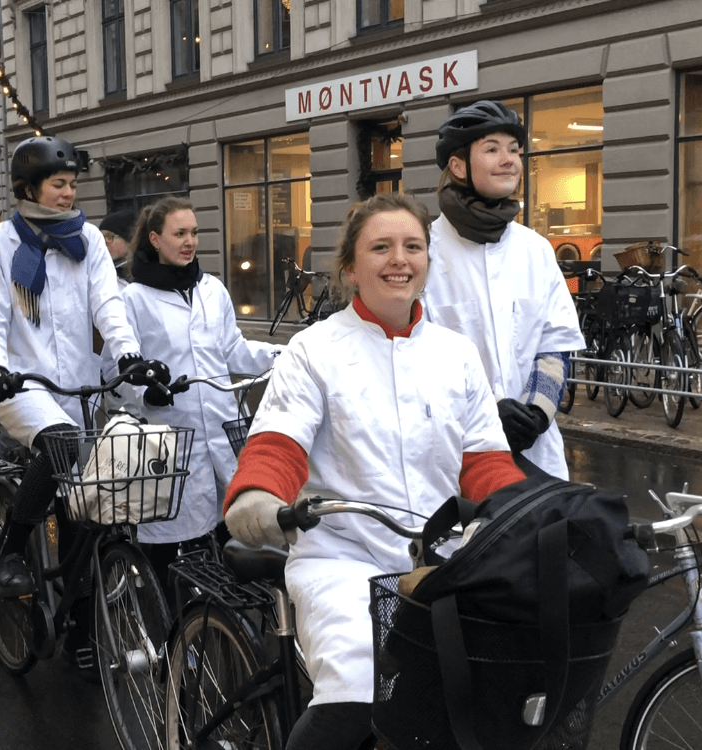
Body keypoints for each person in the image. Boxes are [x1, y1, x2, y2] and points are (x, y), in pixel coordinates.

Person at [223, 193, 525, 750]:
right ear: (350, 269)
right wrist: (260, 496)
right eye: (381, 247)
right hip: (341, 556)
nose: (399, 259)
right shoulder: (314, 350)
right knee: (359, 695)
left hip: (439, 558)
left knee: (489, 685)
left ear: (428, 262)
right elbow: (278, 444)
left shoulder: (456, 354)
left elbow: (485, 462)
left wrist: (527, 518)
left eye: (413, 247)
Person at [0, 135, 168, 598]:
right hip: (20, 385)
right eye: (59, 184)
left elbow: (108, 304)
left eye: (71, 185)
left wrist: (129, 355)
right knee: (59, 444)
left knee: (82, 508)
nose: (68, 194)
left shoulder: (87, 238)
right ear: (29, 188)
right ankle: (11, 549)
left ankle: (80, 624)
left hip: (78, 387)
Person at [110, 197, 281, 576]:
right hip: (169, 436)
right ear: (155, 239)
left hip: (221, 428)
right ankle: (168, 624)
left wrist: (285, 354)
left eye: (194, 233)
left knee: (231, 529)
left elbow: (233, 350)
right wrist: (147, 390)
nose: (190, 241)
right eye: (179, 233)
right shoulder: (133, 299)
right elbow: (120, 368)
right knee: (168, 540)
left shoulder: (212, 289)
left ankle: (222, 619)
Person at [422, 100, 585, 479]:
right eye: (492, 149)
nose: (509, 159)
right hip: (456, 453)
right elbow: (418, 353)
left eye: (514, 150)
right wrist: (488, 410)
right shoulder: (424, 251)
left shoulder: (535, 249)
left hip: (536, 453)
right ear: (458, 166)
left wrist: (537, 412)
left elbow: (554, 344)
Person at [98, 208, 136, 284]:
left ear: (129, 238)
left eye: (109, 237)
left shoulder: (148, 274)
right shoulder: (104, 275)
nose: (105, 243)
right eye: (102, 238)